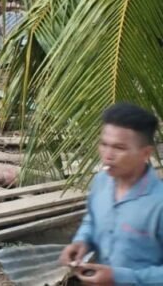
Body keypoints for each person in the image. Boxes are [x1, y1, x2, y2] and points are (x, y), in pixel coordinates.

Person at [59, 102, 163, 284]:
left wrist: (120, 277)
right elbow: (92, 220)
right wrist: (82, 241)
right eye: (104, 144)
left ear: (145, 153)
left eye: (119, 148)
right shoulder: (101, 182)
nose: (107, 155)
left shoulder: (158, 203)